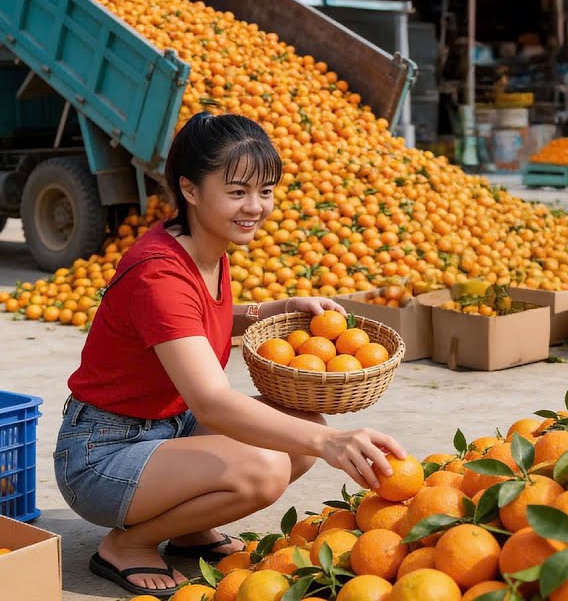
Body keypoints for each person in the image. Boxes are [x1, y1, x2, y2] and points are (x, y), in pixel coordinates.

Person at [54, 112, 406, 598]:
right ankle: (128, 545)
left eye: (265, 190)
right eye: (238, 192)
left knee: (302, 424)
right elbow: (213, 403)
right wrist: (334, 446)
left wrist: (273, 310)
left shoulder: (206, 245)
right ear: (191, 190)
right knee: (266, 467)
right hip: (103, 456)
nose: (255, 207)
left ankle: (190, 528)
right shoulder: (159, 272)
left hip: (166, 429)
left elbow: (190, 321)